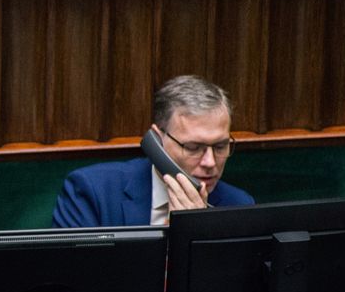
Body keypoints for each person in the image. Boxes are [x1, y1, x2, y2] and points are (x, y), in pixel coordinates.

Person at [52, 75, 254, 228]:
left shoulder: (238, 206)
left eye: (220, 146)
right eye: (193, 147)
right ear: (156, 141)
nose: (210, 162)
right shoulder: (93, 192)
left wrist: (195, 233)